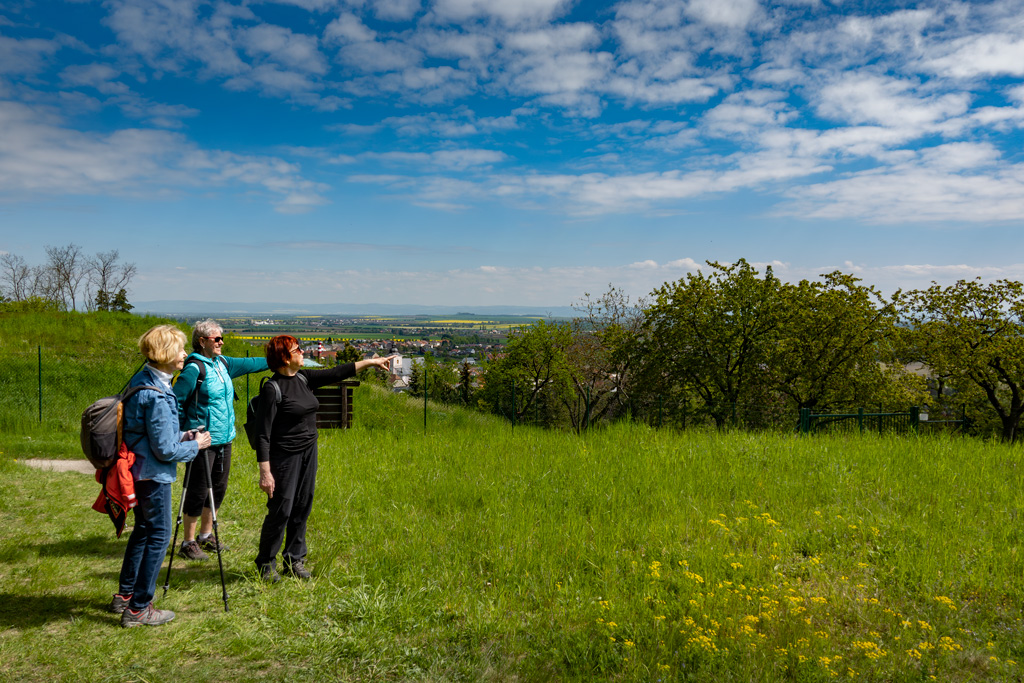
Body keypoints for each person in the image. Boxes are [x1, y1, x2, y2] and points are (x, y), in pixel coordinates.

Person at [253, 335, 393, 582]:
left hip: (309, 451)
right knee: (281, 509)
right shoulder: (271, 388)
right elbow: (262, 435)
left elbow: (338, 372)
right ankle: (266, 563)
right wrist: (266, 473)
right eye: (297, 349)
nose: (302, 352)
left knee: (302, 506)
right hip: (284, 456)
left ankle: (294, 559)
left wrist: (371, 363)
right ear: (285, 357)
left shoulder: (303, 379)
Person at [110, 324, 212, 627]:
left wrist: (183, 435)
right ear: (166, 353)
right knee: (158, 536)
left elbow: (154, 435)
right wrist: (196, 444)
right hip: (152, 476)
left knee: (142, 531)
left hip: (137, 471)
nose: (184, 354)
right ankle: (140, 608)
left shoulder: (141, 381)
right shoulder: (157, 394)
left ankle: (125, 596)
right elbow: (165, 451)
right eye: (180, 349)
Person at [172, 319, 268, 561]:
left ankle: (206, 536)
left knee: (217, 488)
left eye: (221, 338)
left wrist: (277, 359)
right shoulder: (195, 369)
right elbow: (174, 403)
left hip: (225, 439)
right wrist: (188, 432)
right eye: (217, 339)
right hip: (203, 441)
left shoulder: (222, 363)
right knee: (197, 489)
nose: (221, 342)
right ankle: (188, 542)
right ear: (202, 341)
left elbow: (250, 364)